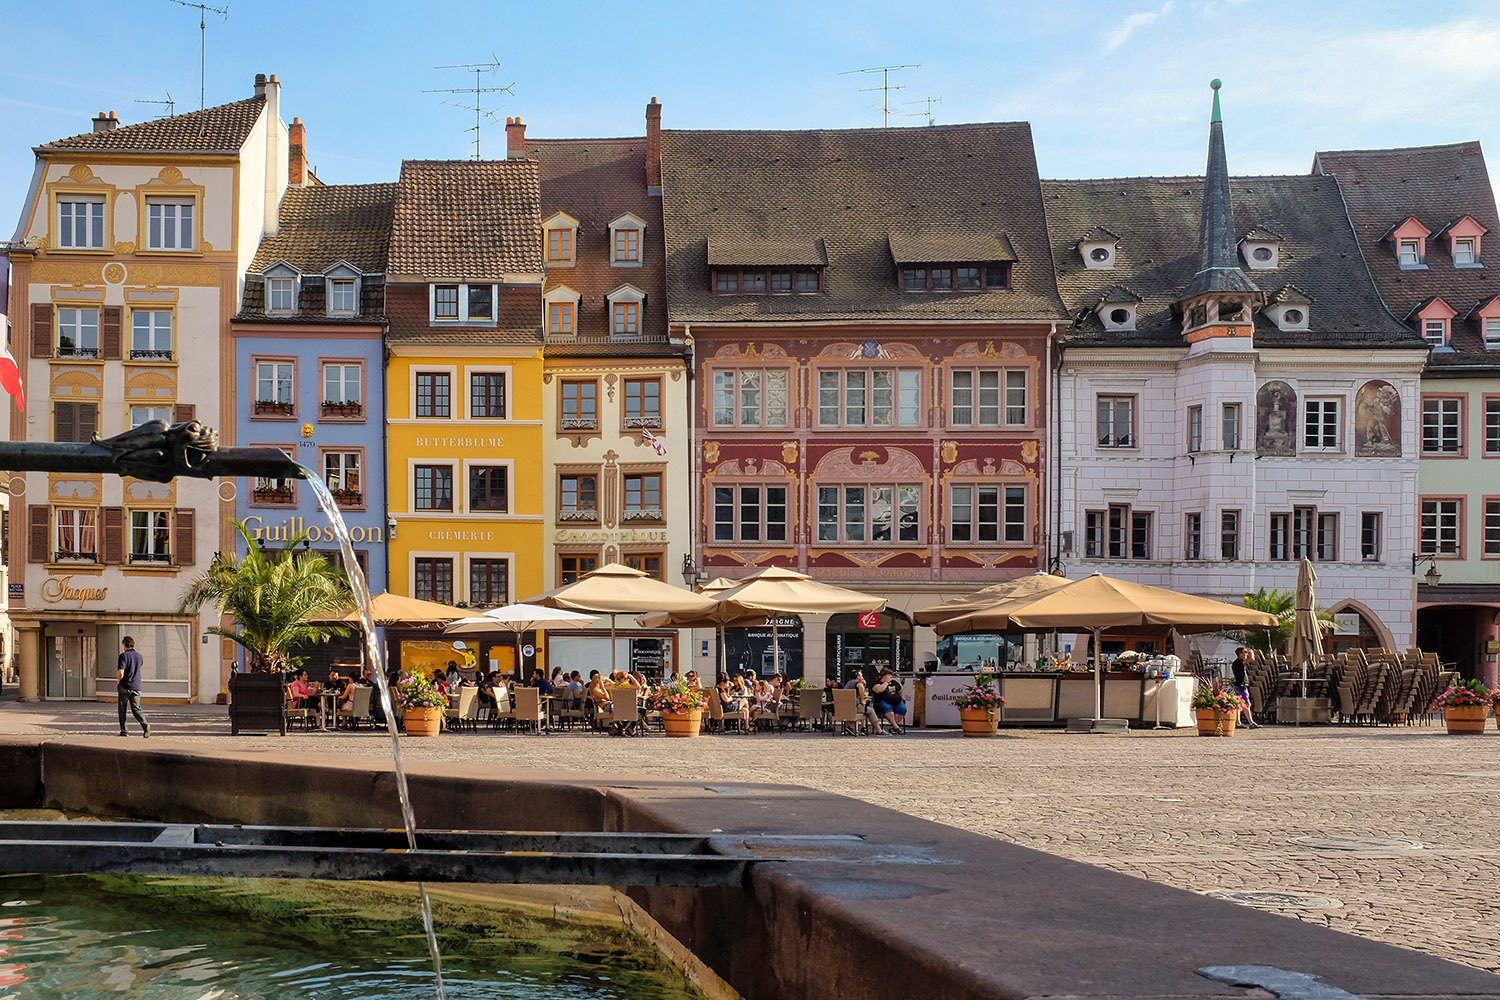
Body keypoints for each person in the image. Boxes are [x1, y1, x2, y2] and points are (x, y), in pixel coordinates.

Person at [117, 635, 149, 738]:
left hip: (125, 686)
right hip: (136, 686)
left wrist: (119, 682)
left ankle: (124, 731)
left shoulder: (123, 656)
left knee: (122, 709)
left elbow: (121, 672)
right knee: (136, 709)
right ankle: (145, 725)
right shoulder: (139, 656)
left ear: (124, 645)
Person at [1230, 647, 1261, 729]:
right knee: (1247, 704)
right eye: (1244, 652)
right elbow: (1252, 659)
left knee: (1239, 705)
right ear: (1240, 654)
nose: (1246, 654)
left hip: (1239, 685)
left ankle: (1238, 722)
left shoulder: (1236, 662)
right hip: (1241, 685)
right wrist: (1251, 651)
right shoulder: (1239, 661)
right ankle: (1251, 722)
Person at [870, 668, 907, 734]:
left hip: (896, 702)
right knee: (887, 707)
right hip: (883, 702)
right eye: (889, 674)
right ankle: (896, 727)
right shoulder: (877, 684)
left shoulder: (894, 682)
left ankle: (893, 727)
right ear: (884, 675)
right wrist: (886, 682)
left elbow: (901, 690)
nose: (891, 676)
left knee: (902, 709)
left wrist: (903, 698)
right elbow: (880, 690)